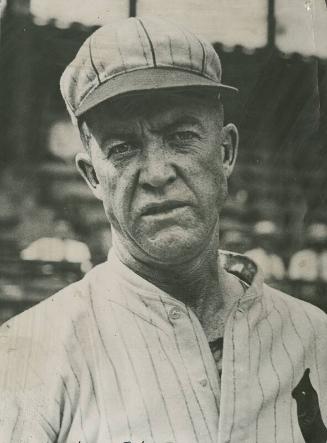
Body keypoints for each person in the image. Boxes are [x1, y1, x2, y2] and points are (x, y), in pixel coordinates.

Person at [0, 16, 327, 443]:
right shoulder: (26, 352)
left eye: (181, 136)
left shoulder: (314, 336)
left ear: (226, 151)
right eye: (122, 148)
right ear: (92, 177)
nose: (156, 173)